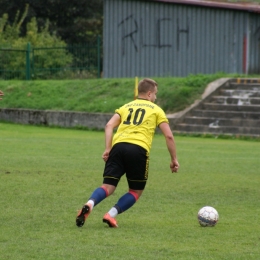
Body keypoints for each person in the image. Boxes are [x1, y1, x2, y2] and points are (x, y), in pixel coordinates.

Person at [76, 78, 179, 228]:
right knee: (136, 191)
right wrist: (174, 159)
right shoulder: (156, 110)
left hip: (118, 148)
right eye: (156, 94)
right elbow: (169, 136)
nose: (156, 98)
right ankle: (110, 215)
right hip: (138, 149)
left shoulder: (126, 106)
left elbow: (109, 125)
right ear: (149, 94)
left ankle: (89, 204)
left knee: (108, 186)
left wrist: (107, 148)